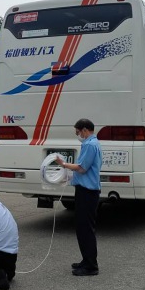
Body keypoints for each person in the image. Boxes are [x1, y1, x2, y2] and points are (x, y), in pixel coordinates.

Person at [55, 118, 102, 276]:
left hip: (87, 192)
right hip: (87, 190)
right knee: (83, 227)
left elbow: (82, 168)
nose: (77, 135)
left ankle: (90, 266)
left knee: (85, 229)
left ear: (85, 130)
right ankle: (86, 260)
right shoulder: (93, 143)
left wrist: (64, 164)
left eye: (78, 132)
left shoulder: (89, 144)